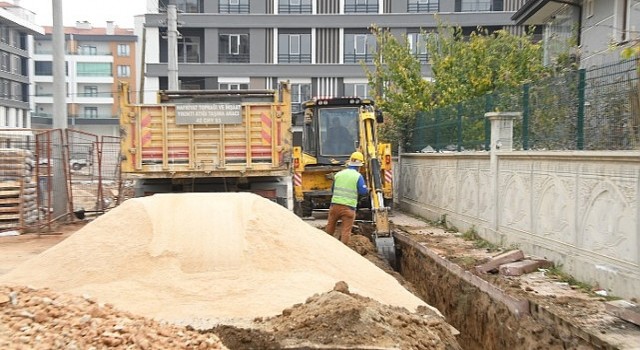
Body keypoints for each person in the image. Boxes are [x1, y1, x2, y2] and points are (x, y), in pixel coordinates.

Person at [325, 151, 368, 245]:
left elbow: (333, 189)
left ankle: (326, 246)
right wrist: (367, 189)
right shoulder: (358, 176)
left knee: (330, 226)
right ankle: (343, 251)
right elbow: (363, 191)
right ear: (360, 165)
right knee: (346, 231)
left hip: (334, 206)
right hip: (348, 208)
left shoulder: (338, 174)